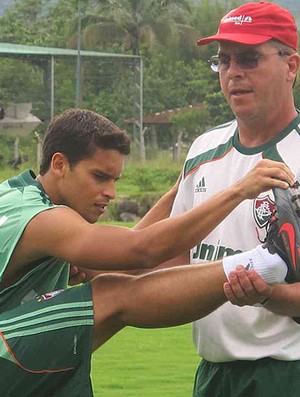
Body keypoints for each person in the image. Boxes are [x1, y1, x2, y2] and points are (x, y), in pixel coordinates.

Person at [0, 108, 297, 396]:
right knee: (109, 293)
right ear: (60, 164)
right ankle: (268, 261)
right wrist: (238, 190)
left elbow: (128, 251)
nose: (111, 193)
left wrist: (182, 185)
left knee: (106, 277)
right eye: (100, 176)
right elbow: (141, 250)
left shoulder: (15, 196)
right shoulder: (42, 218)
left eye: (115, 180)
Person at [165, 2, 300, 396]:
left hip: (287, 375)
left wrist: (269, 296)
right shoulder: (203, 150)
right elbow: (172, 260)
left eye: (250, 58)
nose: (234, 73)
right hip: (212, 374)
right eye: (223, 61)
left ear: (291, 66)